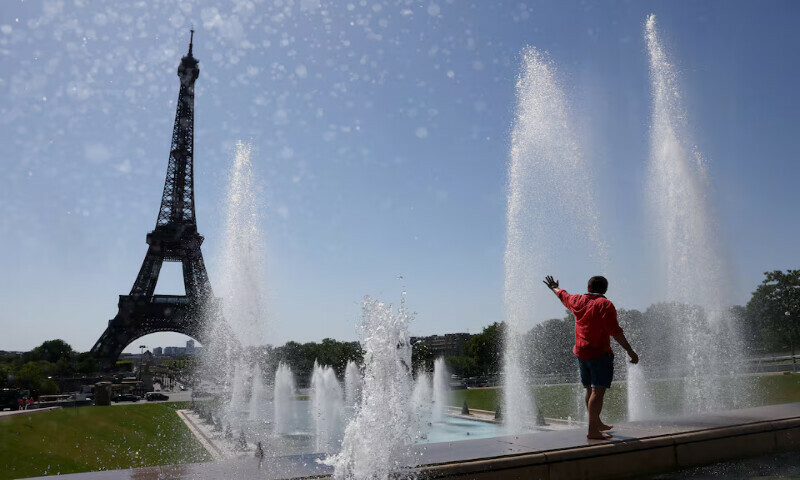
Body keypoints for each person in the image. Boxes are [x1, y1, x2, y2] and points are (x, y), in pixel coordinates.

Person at [543, 275, 638, 440]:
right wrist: (630, 350)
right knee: (597, 391)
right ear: (605, 289)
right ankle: (593, 430)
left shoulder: (577, 300)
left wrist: (553, 287)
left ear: (588, 287)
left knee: (590, 389)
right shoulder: (604, 305)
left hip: (581, 353)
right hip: (599, 353)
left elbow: (562, 294)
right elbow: (615, 331)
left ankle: (597, 422)